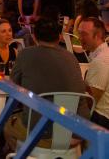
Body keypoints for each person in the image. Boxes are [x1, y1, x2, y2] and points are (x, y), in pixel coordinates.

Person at [5, 18, 88, 148]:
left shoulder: (25, 54)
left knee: (6, 124)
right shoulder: (71, 57)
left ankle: (31, 154)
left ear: (34, 36)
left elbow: (12, 86)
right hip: (77, 132)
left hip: (43, 132)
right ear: (59, 37)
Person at [78, 17, 109, 128]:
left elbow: (90, 102)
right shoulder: (101, 53)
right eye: (79, 33)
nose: (79, 38)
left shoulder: (101, 60)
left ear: (97, 36)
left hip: (102, 119)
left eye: (84, 34)